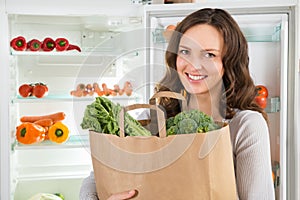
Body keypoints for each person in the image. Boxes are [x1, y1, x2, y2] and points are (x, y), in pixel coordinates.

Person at [80, 8, 275, 200]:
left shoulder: (245, 125)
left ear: (229, 61)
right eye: (185, 52)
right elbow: (94, 179)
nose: (194, 65)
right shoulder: (154, 117)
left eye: (209, 54)